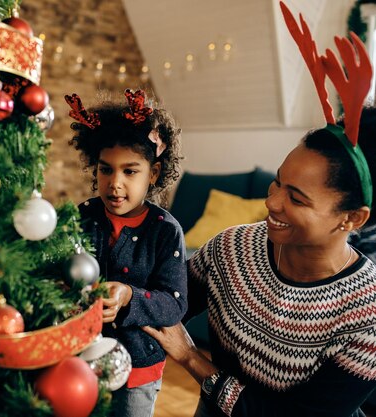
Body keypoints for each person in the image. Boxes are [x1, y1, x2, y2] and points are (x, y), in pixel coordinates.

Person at [143, 4, 376, 416]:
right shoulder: (230, 249)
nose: (272, 202)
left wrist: (192, 359)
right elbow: (163, 301)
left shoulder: (367, 312)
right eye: (278, 182)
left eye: (297, 198)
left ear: (353, 218)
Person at [66, 89, 188, 417]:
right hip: (81, 357)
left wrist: (128, 296)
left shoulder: (165, 230)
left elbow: (174, 304)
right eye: (106, 170)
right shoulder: (84, 215)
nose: (115, 183)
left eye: (130, 171)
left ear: (155, 173)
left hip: (138, 370)